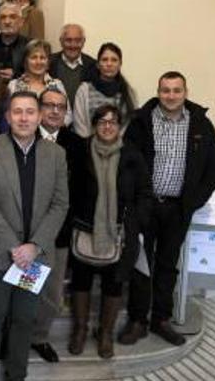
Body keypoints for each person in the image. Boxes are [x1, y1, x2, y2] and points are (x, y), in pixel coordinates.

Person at [119, 72, 215, 346]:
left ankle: (161, 319)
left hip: (177, 209)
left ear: (185, 92)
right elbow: (127, 162)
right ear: (158, 91)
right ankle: (138, 320)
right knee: (141, 265)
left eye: (176, 90)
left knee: (168, 264)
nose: (171, 96)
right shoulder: (142, 121)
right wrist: (133, 199)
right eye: (166, 90)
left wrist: (195, 201)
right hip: (146, 206)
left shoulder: (200, 123)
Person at [0, 91, 69, 381]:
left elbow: (60, 203)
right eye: (17, 112)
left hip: (35, 257)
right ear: (7, 117)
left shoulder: (56, 154)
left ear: (40, 116)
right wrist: (15, 247)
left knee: (25, 318)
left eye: (30, 112)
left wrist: (35, 246)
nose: (24, 118)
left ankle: (17, 373)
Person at [66, 105, 151, 359]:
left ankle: (105, 334)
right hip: (84, 230)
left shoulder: (132, 155)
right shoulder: (80, 151)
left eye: (113, 122)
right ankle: (80, 330)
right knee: (80, 283)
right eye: (102, 122)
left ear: (120, 126)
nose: (107, 126)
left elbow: (145, 193)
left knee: (113, 285)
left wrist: (134, 223)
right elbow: (67, 188)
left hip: (119, 234)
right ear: (94, 125)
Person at [29, 86, 80, 362]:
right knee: (23, 289)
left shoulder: (76, 144)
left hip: (58, 233)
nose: (55, 111)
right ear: (39, 110)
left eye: (61, 106)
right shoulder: (24, 137)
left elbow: (80, 191)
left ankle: (39, 337)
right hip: (25, 233)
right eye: (49, 105)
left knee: (51, 292)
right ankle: (15, 337)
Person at [72, 42, 137, 138]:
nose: (109, 64)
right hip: (88, 147)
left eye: (114, 60)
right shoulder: (84, 89)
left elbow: (127, 125)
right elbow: (80, 124)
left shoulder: (127, 92)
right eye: (104, 60)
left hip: (118, 149)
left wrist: (113, 145)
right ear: (98, 64)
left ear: (120, 64)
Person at [49, 23, 96, 105]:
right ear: (61, 41)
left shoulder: (93, 65)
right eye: (68, 40)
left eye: (77, 40)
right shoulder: (49, 62)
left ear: (83, 41)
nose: (73, 45)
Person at [0, 2, 30, 80]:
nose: (7, 22)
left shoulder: (29, 46)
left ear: (21, 22)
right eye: (3, 17)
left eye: (12, 17)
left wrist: (16, 75)